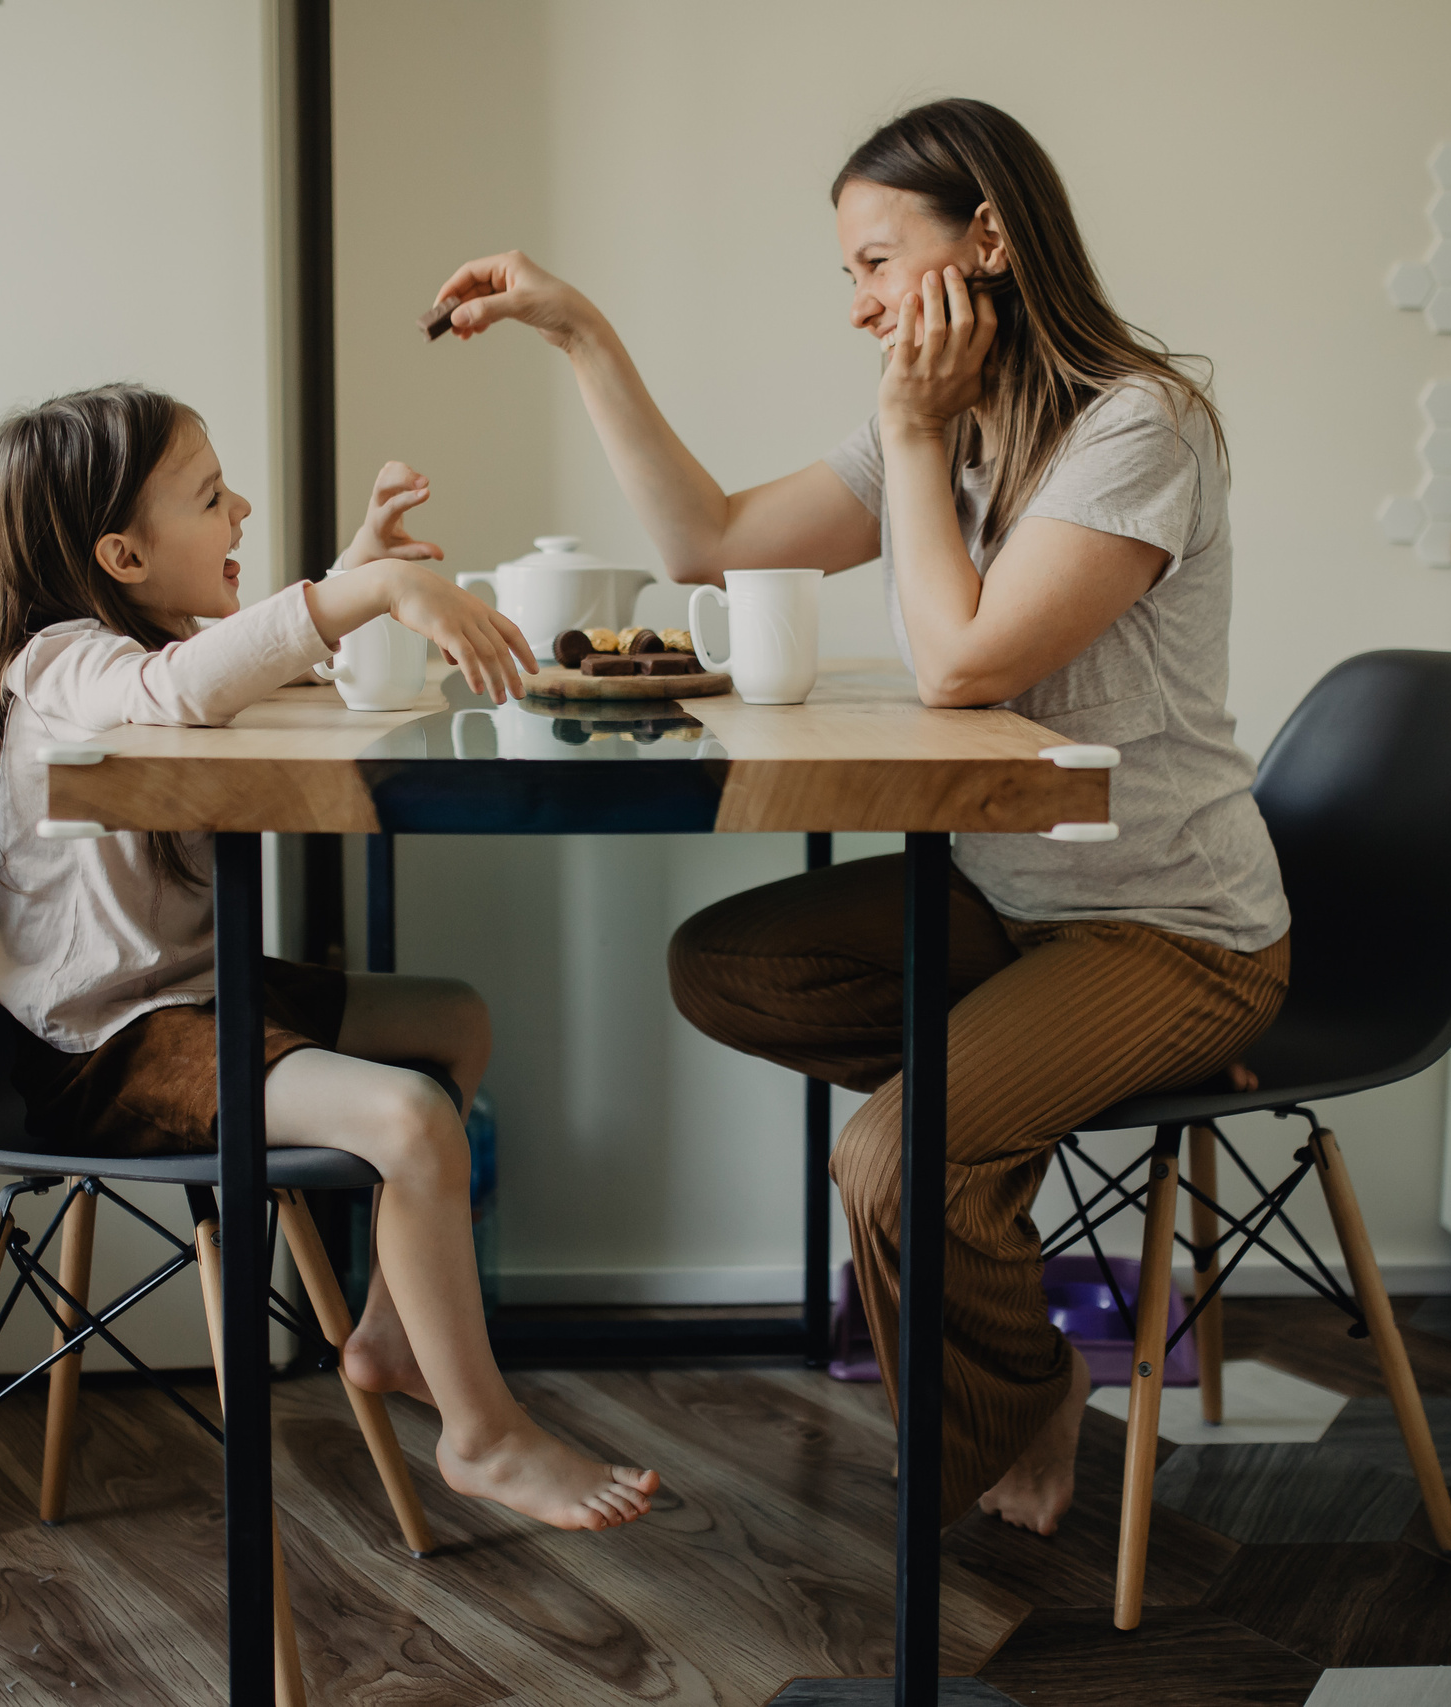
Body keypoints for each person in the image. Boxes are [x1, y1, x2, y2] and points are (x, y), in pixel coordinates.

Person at [426, 99, 1289, 1535]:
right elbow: (705, 542)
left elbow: (962, 664)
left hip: (1173, 927)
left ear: (992, 241)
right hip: (1016, 905)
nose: (862, 306)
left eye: (877, 261)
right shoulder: (947, 428)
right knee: (728, 963)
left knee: (889, 1156)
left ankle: (1013, 1381)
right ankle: (995, 1194)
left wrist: (906, 431)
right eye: (851, 275)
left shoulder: (1140, 426)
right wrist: (582, 333)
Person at [0, 382, 659, 1532]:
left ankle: (390, 1329)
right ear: (120, 553)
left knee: (450, 1018)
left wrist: (361, 569)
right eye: (212, 497)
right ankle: (484, 1436)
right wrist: (368, 589)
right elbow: (184, 688)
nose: (242, 508)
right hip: (107, 1049)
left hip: (190, 1002)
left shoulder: (143, 643)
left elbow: (248, 659)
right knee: (412, 1117)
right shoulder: (60, 665)